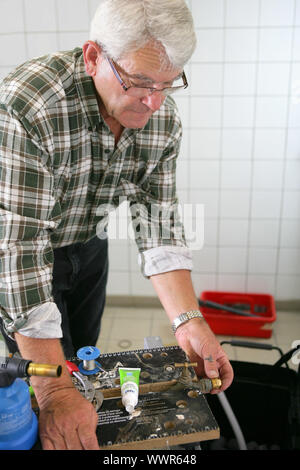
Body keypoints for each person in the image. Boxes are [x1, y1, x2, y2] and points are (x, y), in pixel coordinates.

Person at [0, 0, 233, 450]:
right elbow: (20, 251)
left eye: (168, 85)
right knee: (40, 383)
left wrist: (189, 322)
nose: (154, 101)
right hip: (19, 251)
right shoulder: (29, 107)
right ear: (93, 58)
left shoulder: (160, 120)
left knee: (83, 356)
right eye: (140, 83)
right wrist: (54, 392)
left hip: (87, 247)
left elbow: (159, 222)